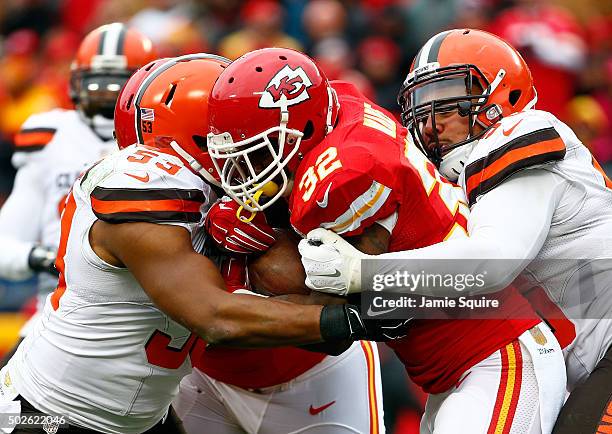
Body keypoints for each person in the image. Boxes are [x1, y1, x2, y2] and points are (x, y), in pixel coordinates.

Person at [0, 54, 369, 434]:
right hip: (44, 412)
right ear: (198, 133)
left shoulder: (216, 197)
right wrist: (356, 318)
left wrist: (389, 291)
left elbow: (284, 301)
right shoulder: (142, 187)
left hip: (143, 418)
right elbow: (215, 317)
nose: (252, 136)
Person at [206, 47, 566, 433]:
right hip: (457, 371)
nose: (249, 170)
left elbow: (327, 324)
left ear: (304, 131)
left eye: (261, 152)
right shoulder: (341, 109)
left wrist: (244, 288)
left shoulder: (341, 182)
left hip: (497, 355)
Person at [298, 28, 612, 433]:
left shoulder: (519, 133)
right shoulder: (456, 176)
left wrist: (364, 273)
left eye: (446, 105)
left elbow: (492, 263)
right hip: (584, 363)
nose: (430, 124)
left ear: (502, 96)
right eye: (422, 108)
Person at [113, 53, 385, 434]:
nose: (148, 173)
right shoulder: (128, 206)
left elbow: (335, 304)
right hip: (204, 378)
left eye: (160, 157)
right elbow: (210, 314)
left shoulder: (296, 168)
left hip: (315, 378)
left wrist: (273, 233)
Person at [0, 23, 158, 366]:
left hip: (145, 308)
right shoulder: (52, 136)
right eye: (97, 83)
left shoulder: (162, 138)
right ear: (75, 83)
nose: (106, 94)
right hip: (59, 305)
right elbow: (5, 242)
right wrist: (45, 257)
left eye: (118, 85)